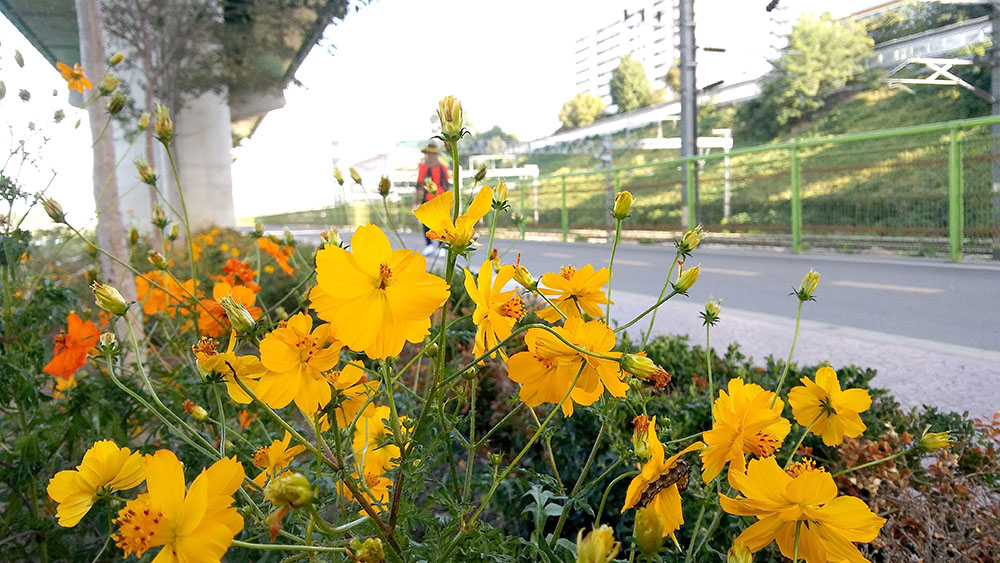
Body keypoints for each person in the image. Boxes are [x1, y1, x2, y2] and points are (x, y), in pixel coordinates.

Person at [415, 142, 450, 256]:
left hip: (440, 199)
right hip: (427, 199)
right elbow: (419, 185)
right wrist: (416, 201)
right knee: (426, 222)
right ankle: (429, 244)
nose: (430, 157)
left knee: (441, 222)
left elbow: (446, 184)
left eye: (432, 154)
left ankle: (441, 245)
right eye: (428, 154)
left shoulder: (443, 168)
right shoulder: (423, 168)